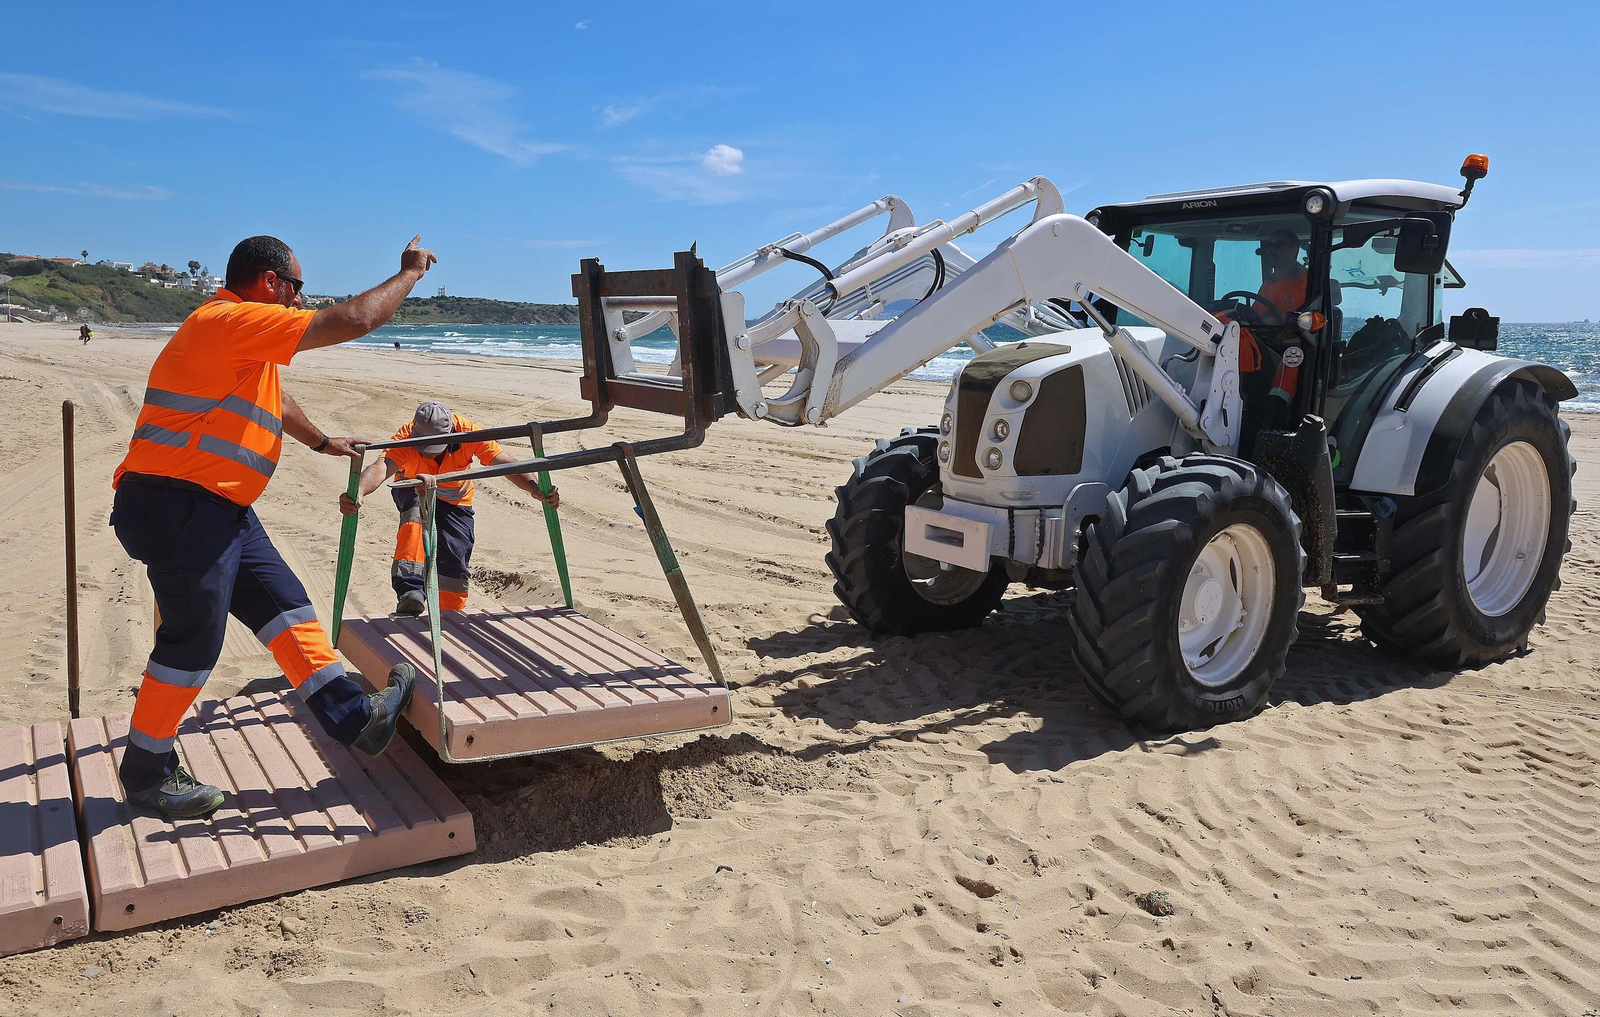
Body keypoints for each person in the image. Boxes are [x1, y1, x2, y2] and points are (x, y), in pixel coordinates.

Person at [111, 234, 437, 818]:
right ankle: (145, 774)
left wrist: (322, 442)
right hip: (177, 503)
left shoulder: (242, 339)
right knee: (191, 641)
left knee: (284, 605)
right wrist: (410, 273)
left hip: (221, 507)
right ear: (269, 282)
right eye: (296, 289)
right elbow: (357, 319)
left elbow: (275, 403)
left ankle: (357, 718)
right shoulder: (227, 320)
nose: (298, 301)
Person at [339, 401, 559, 615]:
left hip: (456, 498)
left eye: (433, 448)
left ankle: (450, 612)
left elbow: (504, 463)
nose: (427, 453)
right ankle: (411, 592)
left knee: (455, 551)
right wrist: (358, 491)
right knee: (415, 521)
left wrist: (533, 487)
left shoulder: (468, 433)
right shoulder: (405, 437)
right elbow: (381, 467)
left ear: (450, 432)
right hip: (414, 488)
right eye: (422, 447)